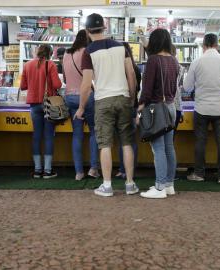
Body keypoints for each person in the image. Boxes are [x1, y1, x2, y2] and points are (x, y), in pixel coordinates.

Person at [74, 13, 139, 197]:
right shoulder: (122, 47)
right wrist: (132, 98)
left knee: (105, 144)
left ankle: (107, 186)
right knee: (126, 142)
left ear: (87, 31)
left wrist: (80, 107)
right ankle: (130, 184)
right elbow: (131, 75)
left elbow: (86, 84)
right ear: (104, 28)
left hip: (103, 100)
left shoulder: (88, 52)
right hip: (123, 97)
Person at [184, 33, 220, 184]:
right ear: (217, 45)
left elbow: (187, 87)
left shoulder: (197, 62)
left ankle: (199, 174)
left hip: (201, 108)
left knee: (200, 141)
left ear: (203, 46)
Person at [137, 29, 179, 199]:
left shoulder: (153, 60)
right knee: (169, 148)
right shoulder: (174, 60)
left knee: (158, 149)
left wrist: (140, 107)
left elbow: (146, 90)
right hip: (170, 107)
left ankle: (159, 187)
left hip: (156, 109)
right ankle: (169, 185)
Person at [21, 44, 62, 179]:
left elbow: (23, 86)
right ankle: (48, 170)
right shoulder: (50, 65)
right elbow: (57, 85)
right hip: (48, 104)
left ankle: (37, 169)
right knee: (49, 136)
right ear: (50, 53)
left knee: (37, 136)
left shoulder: (27, 65)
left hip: (34, 104)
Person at [63, 29, 99, 181]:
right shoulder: (88, 52)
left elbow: (65, 79)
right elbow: (93, 76)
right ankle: (93, 168)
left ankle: (78, 172)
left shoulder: (66, 54)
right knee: (93, 132)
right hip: (87, 97)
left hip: (70, 97)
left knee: (77, 135)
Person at [115, 42, 141, 180]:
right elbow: (137, 89)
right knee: (131, 141)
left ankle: (122, 169)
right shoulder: (135, 69)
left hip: (119, 106)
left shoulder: (116, 69)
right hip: (133, 106)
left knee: (122, 141)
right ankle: (131, 170)